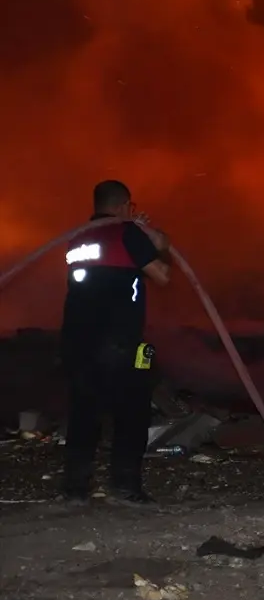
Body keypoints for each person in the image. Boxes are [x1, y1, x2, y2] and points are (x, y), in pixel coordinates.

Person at [60, 180, 172, 504]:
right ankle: (125, 486)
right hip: (125, 345)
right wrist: (152, 236)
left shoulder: (78, 237)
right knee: (135, 409)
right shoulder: (128, 233)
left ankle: (75, 488)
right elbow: (163, 274)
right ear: (124, 206)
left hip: (77, 343)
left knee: (84, 412)